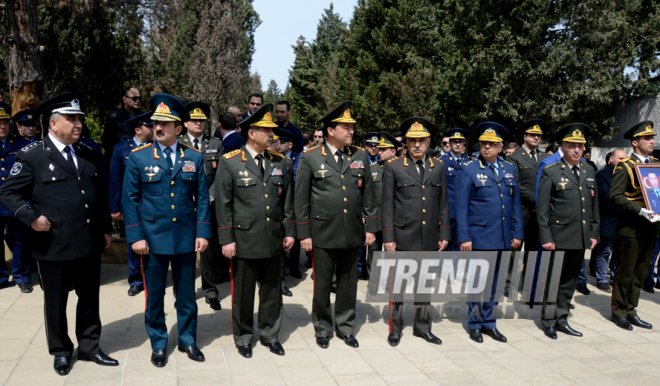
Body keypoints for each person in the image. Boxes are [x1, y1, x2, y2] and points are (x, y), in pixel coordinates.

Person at [0, 92, 118, 375]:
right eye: (72, 119)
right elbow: (8, 192)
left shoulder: (87, 151)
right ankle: (61, 351)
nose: (78, 124)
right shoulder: (32, 155)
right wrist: (31, 219)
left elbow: (98, 194)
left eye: (79, 119)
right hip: (53, 242)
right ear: (53, 124)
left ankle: (90, 346)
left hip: (88, 240)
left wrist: (104, 228)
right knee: (56, 302)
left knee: (90, 299)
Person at [122, 94, 211, 367]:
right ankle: (159, 343)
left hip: (185, 236)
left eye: (165, 124)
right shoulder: (139, 158)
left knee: (186, 296)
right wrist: (136, 236)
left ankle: (187, 340)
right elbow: (130, 199)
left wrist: (203, 232)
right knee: (155, 296)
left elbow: (203, 197)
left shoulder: (194, 157)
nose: (158, 128)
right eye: (156, 123)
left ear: (179, 129)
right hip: (152, 238)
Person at [295, 100, 377, 349]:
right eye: (346, 127)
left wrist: (371, 227)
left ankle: (345, 326)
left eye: (352, 127)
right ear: (331, 130)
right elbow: (301, 200)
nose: (352, 131)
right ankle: (322, 327)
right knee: (322, 285)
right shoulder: (310, 158)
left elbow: (369, 197)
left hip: (351, 231)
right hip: (322, 233)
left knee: (348, 283)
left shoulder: (360, 156)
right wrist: (304, 234)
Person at [216, 104, 295, 358]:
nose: (272, 135)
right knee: (244, 293)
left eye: (272, 130)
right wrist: (226, 239)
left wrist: (290, 231)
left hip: (273, 238)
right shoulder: (230, 162)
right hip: (244, 239)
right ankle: (244, 337)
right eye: (266, 130)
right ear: (251, 133)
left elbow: (288, 203)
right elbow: (223, 204)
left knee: (272, 292)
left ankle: (270, 335)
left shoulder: (282, 163)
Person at [382, 117, 449, 347]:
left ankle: (423, 328)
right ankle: (395, 329)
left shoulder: (438, 167)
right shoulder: (393, 166)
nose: (417, 145)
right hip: (402, 236)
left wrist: (444, 233)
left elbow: (443, 203)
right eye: (413, 141)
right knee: (399, 287)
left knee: (424, 286)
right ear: (406, 144)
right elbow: (387, 204)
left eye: (421, 141)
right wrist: (388, 237)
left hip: (428, 236)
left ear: (429, 142)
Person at [455, 122, 523, 343]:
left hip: (502, 236)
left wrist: (517, 232)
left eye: (492, 144)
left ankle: (489, 323)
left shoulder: (509, 169)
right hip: (480, 237)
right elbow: (461, 207)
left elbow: (514, 204)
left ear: (501, 147)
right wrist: (464, 236)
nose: (487, 147)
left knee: (495, 284)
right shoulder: (469, 169)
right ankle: (475, 324)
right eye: (484, 143)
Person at [537, 123, 599, 339]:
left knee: (570, 282)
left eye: (579, 146)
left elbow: (594, 206)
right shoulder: (551, 172)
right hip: (558, 238)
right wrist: (545, 236)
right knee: (554, 281)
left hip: (580, 237)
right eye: (571, 146)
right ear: (562, 148)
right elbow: (543, 209)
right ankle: (549, 321)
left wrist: (593, 232)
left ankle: (562, 319)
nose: (576, 150)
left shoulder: (589, 170)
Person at [610, 121, 659, 331]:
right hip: (632, 228)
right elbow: (615, 196)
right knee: (626, 272)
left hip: (652, 227)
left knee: (640, 272)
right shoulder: (626, 166)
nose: (651, 141)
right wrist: (639, 209)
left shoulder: (656, 164)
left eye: (652, 138)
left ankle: (631, 310)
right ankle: (619, 312)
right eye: (647, 138)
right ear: (635, 142)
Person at [176, 101, 225, 309]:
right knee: (182, 251)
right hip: (185, 205)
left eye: (202, 120)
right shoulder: (177, 144)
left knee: (208, 250)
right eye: (194, 120)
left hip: (208, 205)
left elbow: (220, 176)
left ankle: (210, 290)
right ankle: (182, 293)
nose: (199, 124)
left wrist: (209, 196)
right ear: (186, 123)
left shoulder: (215, 144)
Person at [108, 111, 154, 297]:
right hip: (131, 205)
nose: (153, 129)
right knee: (133, 242)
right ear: (137, 129)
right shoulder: (121, 149)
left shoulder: (155, 148)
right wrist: (115, 207)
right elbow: (114, 179)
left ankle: (151, 278)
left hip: (152, 204)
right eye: (148, 126)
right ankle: (135, 280)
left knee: (152, 242)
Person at [0, 104, 31, 293]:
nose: (2, 126)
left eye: (5, 122)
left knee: (21, 240)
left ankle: (22, 277)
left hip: (17, 201)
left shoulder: (22, 144)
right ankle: (1, 277)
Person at [506, 120, 549, 252]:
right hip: (521, 211)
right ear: (525, 137)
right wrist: (536, 199)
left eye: (538, 135)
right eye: (532, 135)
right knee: (514, 249)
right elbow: (515, 183)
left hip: (540, 213)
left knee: (534, 251)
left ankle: (530, 273)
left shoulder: (546, 157)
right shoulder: (514, 157)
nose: (536, 138)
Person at [366, 132, 401, 282]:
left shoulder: (402, 168)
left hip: (396, 219)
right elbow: (367, 195)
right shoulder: (372, 169)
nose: (379, 152)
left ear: (393, 151)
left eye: (383, 150)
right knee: (374, 251)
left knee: (393, 251)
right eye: (379, 149)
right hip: (376, 217)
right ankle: (374, 281)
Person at [592, 149, 626, 292]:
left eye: (625, 158)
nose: (623, 161)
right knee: (605, 250)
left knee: (619, 252)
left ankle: (614, 277)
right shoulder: (602, 175)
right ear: (610, 160)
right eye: (620, 158)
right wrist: (626, 207)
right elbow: (606, 198)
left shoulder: (626, 174)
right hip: (608, 218)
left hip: (623, 220)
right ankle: (601, 279)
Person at [439, 128, 470, 251]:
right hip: (449, 213)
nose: (458, 144)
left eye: (460, 142)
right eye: (455, 142)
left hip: (464, 212)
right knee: (446, 246)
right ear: (450, 143)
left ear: (464, 144)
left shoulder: (468, 162)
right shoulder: (441, 163)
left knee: (460, 247)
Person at [102, 87, 143, 161]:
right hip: (121, 157)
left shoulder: (142, 116)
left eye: (139, 98)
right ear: (124, 99)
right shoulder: (115, 117)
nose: (137, 101)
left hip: (139, 156)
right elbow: (106, 140)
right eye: (134, 98)